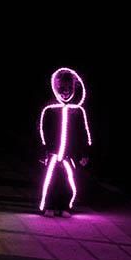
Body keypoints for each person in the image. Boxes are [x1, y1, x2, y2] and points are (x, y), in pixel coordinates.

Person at [38, 67, 91, 217]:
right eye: (61, 88)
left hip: (70, 155)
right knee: (49, 182)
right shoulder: (49, 109)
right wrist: (43, 151)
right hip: (52, 154)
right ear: (55, 88)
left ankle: (65, 206)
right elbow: (42, 131)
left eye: (69, 88)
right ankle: (48, 206)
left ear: (74, 88)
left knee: (69, 183)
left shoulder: (78, 111)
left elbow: (83, 133)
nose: (65, 91)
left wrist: (84, 153)